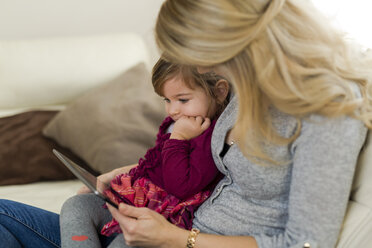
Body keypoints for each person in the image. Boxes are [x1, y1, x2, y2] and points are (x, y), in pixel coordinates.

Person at [0, 0, 371, 247]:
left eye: (202, 60)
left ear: (233, 45)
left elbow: (306, 242)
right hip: (169, 228)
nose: (205, 72)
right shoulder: (249, 89)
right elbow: (216, 172)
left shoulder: (329, 110)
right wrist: (127, 173)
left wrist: (178, 239)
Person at [59, 57, 230, 247]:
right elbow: (154, 165)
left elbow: (180, 186)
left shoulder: (211, 137)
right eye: (167, 99)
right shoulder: (179, 123)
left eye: (183, 100)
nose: (172, 110)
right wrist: (116, 178)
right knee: (76, 205)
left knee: (125, 242)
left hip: (165, 217)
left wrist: (178, 139)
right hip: (138, 200)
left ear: (220, 92)